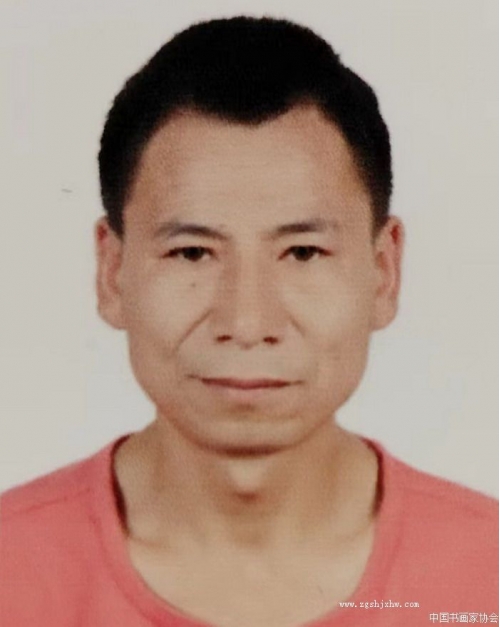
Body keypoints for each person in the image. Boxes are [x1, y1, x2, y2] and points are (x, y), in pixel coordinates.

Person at [1, 16, 497, 627]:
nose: (246, 322)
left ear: (384, 272)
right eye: (192, 253)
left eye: (303, 252)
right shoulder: (12, 571)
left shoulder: (486, 580)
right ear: (112, 272)